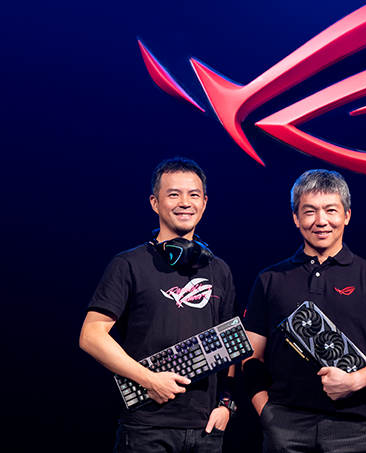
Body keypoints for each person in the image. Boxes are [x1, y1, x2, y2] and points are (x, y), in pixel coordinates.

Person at [241, 169, 366, 453]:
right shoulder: (270, 279)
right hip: (283, 423)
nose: (321, 221)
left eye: (331, 210)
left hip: (353, 427)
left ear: (347, 215)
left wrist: (355, 380)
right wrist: (266, 412)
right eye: (309, 211)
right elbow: (251, 356)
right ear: (295, 217)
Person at [79, 157, 237, 453]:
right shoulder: (128, 264)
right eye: (174, 194)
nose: (185, 203)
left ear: (204, 203)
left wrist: (226, 405)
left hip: (206, 429)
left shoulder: (219, 270)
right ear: (155, 202)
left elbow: (229, 346)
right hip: (146, 427)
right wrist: (149, 380)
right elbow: (91, 335)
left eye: (193, 195)